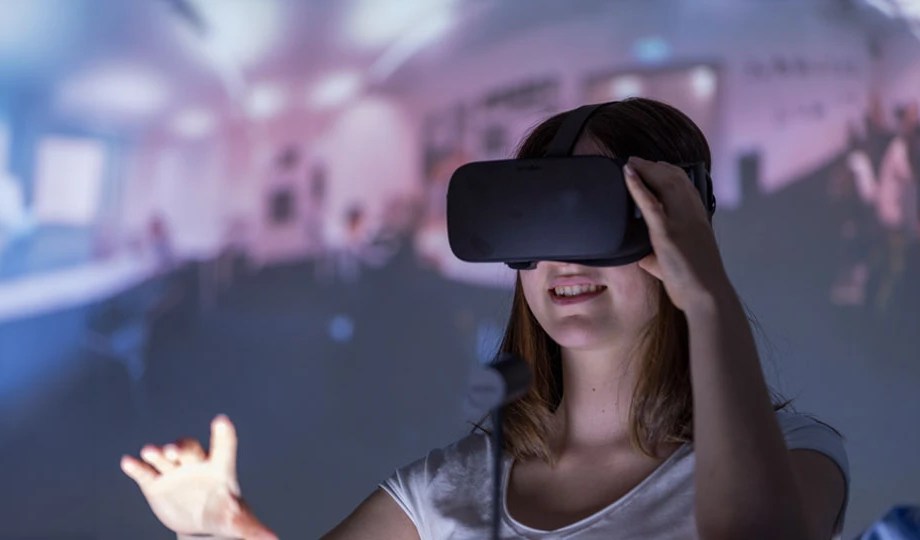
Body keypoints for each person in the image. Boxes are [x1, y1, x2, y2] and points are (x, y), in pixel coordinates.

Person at [120, 98, 849, 539]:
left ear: (675, 224)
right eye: (536, 218)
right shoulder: (447, 489)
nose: (566, 258)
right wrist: (227, 526)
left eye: (596, 216)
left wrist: (707, 295)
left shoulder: (792, 457)